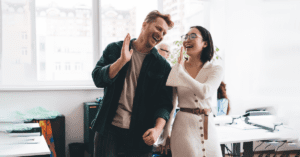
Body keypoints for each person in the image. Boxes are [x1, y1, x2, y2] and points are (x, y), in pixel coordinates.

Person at [91, 10, 174, 157]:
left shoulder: (163, 66)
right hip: (108, 129)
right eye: (158, 28)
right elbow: (98, 78)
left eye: (164, 33)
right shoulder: (115, 49)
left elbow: (165, 104)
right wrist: (122, 61)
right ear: (144, 24)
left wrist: (157, 129)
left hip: (141, 132)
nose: (161, 35)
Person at [162, 26, 224, 157]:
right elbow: (171, 105)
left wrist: (182, 74)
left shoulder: (215, 69)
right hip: (183, 128)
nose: (187, 40)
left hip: (209, 128)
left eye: (193, 36)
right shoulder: (176, 69)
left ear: (205, 43)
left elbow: (205, 92)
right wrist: (165, 134)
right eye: (185, 37)